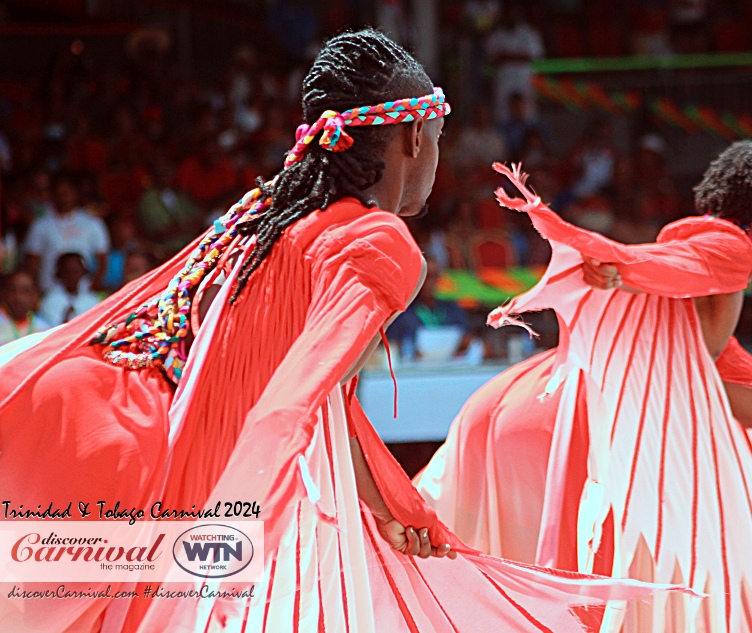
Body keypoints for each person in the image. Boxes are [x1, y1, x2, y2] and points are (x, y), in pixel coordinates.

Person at [0, 30, 692, 633]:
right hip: (249, 495)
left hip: (187, 468)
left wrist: (392, 497)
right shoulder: (377, 241)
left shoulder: (266, 222)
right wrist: (382, 504)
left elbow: (323, 397)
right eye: (439, 142)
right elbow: (302, 396)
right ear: (415, 136)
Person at [417, 144, 752, 632]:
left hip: (535, 407)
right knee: (602, 591)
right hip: (573, 420)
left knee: (558, 585)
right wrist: (624, 266)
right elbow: (677, 266)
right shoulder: (730, 249)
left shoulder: (713, 285)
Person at [22, 173, 110, 292]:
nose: (64, 197)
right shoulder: (40, 225)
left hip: (84, 292)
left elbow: (102, 262)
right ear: (52, 195)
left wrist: (92, 287)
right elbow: (32, 264)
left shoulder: (93, 223)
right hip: (49, 291)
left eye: (68, 192)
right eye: (60, 193)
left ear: (76, 194)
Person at [387, 256, 471, 360]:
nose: (428, 282)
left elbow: (467, 338)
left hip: (451, 368)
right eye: (423, 276)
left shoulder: (452, 308)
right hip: (413, 371)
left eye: (432, 276)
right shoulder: (401, 313)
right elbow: (392, 344)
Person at [38, 252, 103, 326]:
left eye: (75, 271)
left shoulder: (92, 300)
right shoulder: (50, 300)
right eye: (67, 271)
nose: (72, 276)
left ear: (83, 273)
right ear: (59, 273)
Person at [0, 270, 51, 346]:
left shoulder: (45, 329)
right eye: (13, 290)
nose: (19, 298)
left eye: (25, 291)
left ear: (35, 296)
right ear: (3, 294)